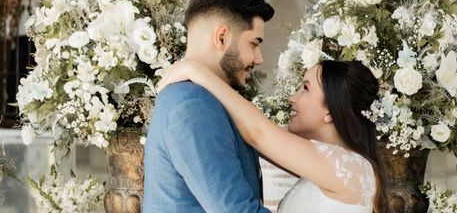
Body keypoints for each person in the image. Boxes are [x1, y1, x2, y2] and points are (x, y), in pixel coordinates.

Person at [157, 59, 386, 213]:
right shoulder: (332, 164)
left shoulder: (350, 168)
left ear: (330, 110)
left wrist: (197, 71)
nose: (292, 98)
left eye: (305, 89)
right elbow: (255, 135)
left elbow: (259, 133)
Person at [143, 0, 275, 212]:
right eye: (254, 44)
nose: (259, 58)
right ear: (222, 37)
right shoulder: (192, 106)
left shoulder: (200, 97)